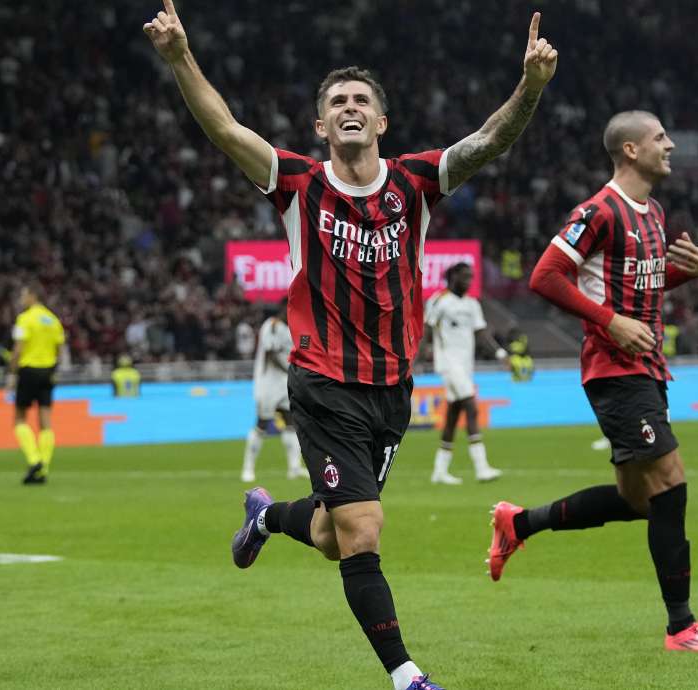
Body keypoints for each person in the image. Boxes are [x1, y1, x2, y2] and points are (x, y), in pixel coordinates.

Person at [145, 3, 559, 687]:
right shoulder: (299, 183)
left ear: (381, 121)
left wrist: (533, 86)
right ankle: (407, 675)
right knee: (364, 530)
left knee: (336, 538)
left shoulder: (415, 183)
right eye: (337, 100)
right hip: (323, 382)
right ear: (320, 124)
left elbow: (489, 139)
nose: (349, 106)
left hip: (392, 389)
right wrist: (180, 57)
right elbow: (223, 128)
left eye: (361, 99)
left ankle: (268, 517)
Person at [489, 110, 698, 652]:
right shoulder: (598, 210)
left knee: (640, 500)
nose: (671, 145)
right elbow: (545, 275)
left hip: (646, 367)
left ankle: (519, 524)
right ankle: (681, 626)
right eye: (660, 138)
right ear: (630, 150)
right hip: (615, 370)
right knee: (670, 482)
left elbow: (635, 290)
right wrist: (607, 322)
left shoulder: (654, 213)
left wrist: (683, 274)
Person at [423, 263, 506, 484]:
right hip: (448, 364)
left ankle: (439, 471)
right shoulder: (439, 301)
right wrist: (424, 354)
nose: (469, 280)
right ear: (452, 277)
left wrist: (499, 352)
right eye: (465, 276)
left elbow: (481, 333)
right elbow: (427, 329)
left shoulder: (472, 304)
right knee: (471, 405)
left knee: (453, 415)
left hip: (465, 365)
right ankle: (481, 467)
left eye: (471, 277)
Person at [241, 300, 304, 483]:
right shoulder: (273, 325)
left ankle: (294, 468)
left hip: (284, 383)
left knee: (290, 421)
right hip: (268, 383)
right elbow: (270, 353)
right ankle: (248, 468)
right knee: (262, 423)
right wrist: (290, 371)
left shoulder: (289, 328)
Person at [9, 284, 65, 485]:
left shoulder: (25, 319)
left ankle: (34, 460)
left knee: (19, 419)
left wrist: (12, 373)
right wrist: (53, 368)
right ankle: (44, 468)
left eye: (23, 294)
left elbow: (18, 349)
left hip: (28, 370)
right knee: (45, 422)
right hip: (48, 371)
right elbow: (60, 347)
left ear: (33, 296)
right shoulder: (53, 320)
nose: (21, 298)